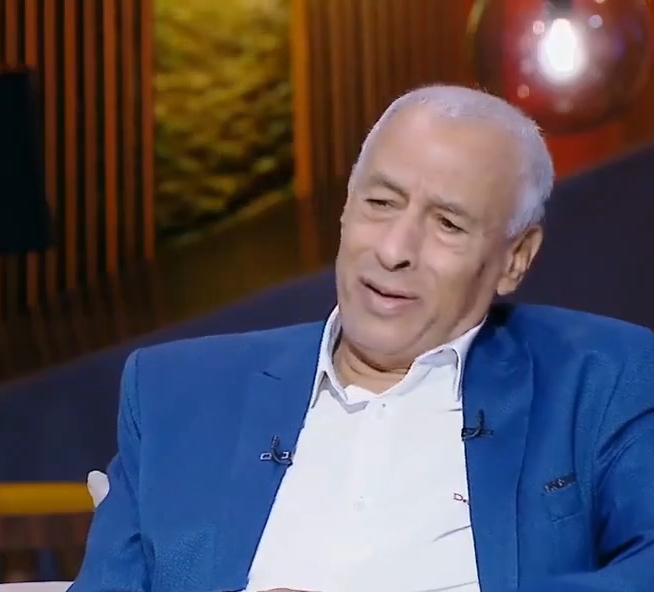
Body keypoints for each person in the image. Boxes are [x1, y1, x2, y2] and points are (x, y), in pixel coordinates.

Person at [70, 85, 654, 592]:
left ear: (515, 258)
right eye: (380, 203)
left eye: (447, 224)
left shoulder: (600, 381)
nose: (394, 250)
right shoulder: (176, 394)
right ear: (345, 210)